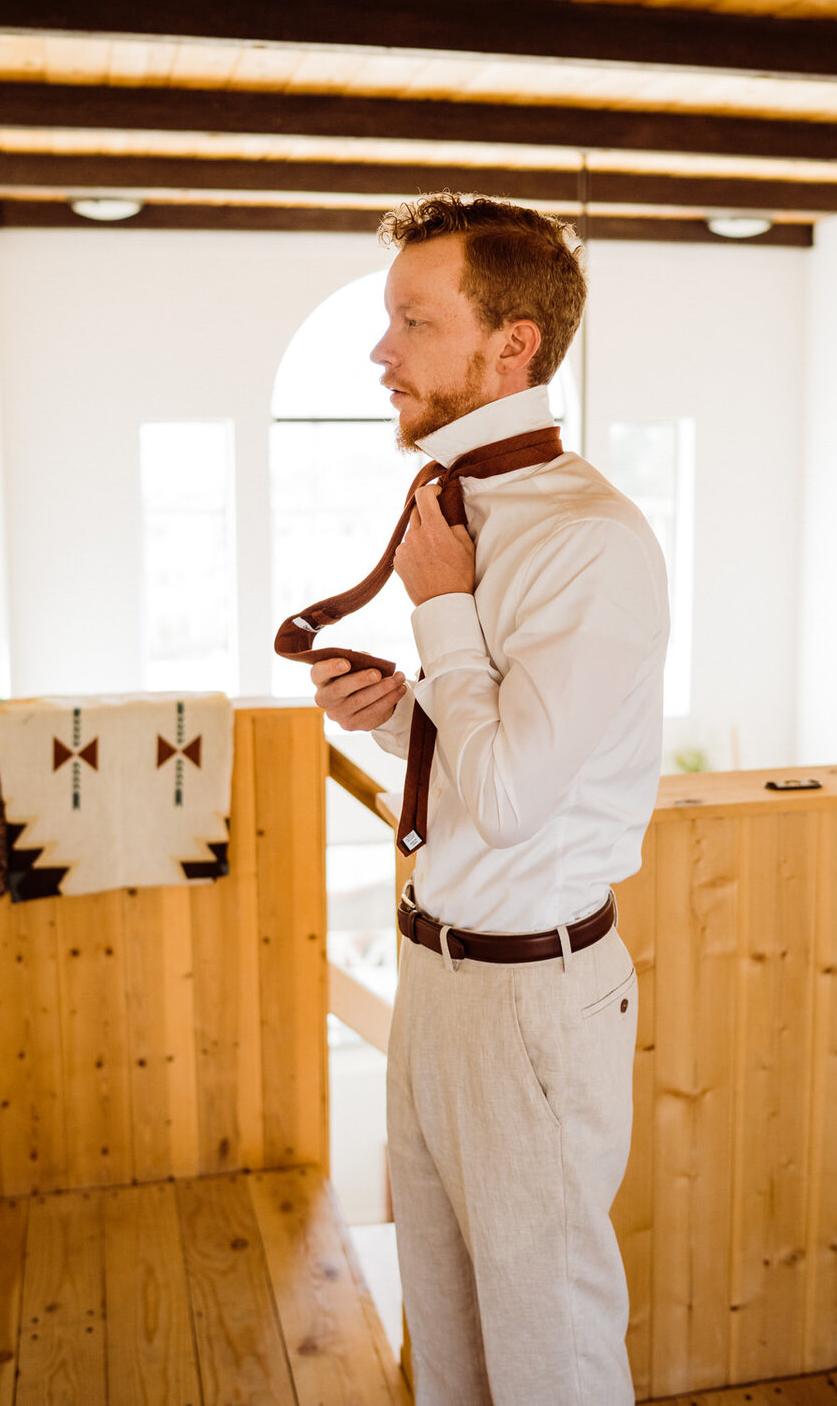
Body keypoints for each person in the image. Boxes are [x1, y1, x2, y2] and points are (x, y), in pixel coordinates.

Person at [311, 193, 669, 1406]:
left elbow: (514, 801)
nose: (380, 353)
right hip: (435, 979)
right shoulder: (458, 510)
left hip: (533, 995)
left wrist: (438, 613)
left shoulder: (589, 538)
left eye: (413, 321)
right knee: (451, 1327)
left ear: (511, 345)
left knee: (547, 1350)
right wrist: (404, 707)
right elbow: (492, 751)